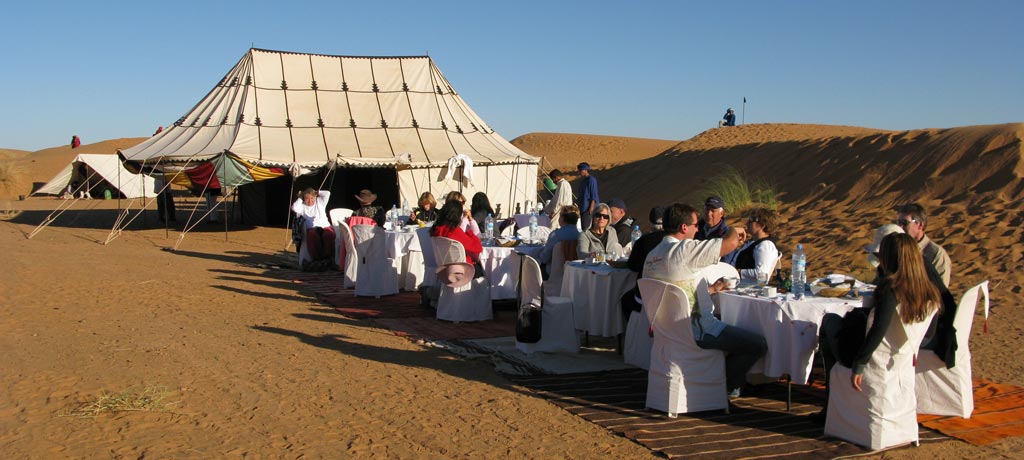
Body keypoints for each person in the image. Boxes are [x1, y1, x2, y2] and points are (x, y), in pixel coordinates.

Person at [817, 233, 941, 420]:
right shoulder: (928, 290)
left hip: (870, 358)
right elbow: (928, 332)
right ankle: (833, 400)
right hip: (900, 358)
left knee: (830, 321)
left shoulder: (891, 289)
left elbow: (878, 329)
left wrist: (859, 365)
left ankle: (830, 405)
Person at [643, 203, 763, 396]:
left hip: (667, 331)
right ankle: (723, 386)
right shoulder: (684, 249)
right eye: (695, 225)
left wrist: (711, 289)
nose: (698, 229)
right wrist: (733, 229)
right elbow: (730, 244)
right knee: (757, 344)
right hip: (697, 331)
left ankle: (713, 380)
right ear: (684, 228)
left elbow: (676, 290)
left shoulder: (653, 255)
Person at [620, 205, 668, 322]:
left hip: (644, 295)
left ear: (650, 221)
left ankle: (633, 330)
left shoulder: (643, 241)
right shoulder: (675, 241)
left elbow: (632, 266)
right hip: (670, 295)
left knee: (625, 299)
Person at [895, 203, 952, 287]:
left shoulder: (936, 255)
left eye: (905, 222)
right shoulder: (896, 248)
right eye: (899, 222)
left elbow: (939, 293)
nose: (900, 226)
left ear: (920, 225)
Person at [431, 199, 483, 268]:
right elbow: (477, 248)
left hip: (443, 269)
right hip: (464, 269)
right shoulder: (454, 231)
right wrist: (470, 234)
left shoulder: (436, 229)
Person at [731, 207, 780, 283]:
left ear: (762, 225)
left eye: (751, 220)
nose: (747, 223)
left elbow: (762, 274)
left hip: (749, 290)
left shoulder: (766, 246)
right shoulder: (753, 242)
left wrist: (739, 272)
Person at [292, 188, 336, 269]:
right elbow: (294, 208)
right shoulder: (302, 207)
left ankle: (329, 257)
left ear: (315, 197)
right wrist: (300, 197)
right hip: (311, 228)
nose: (310, 201)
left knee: (329, 235)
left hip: (325, 226)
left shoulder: (320, 202)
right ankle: (317, 259)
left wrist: (317, 192)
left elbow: (327, 193)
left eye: (312, 198)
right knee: (312, 236)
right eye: (307, 198)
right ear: (304, 199)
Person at [576, 162, 600, 231]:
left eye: (581, 170)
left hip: (589, 210)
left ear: (585, 170)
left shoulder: (591, 180)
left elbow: (594, 195)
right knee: (584, 228)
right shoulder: (583, 181)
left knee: (588, 229)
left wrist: (591, 208)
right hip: (583, 209)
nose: (579, 172)